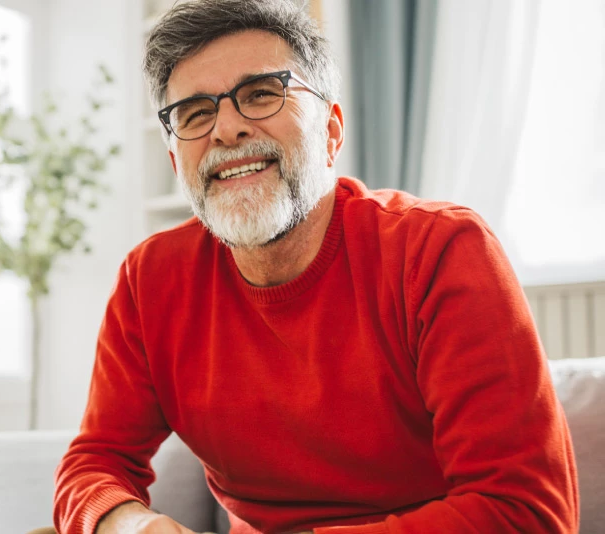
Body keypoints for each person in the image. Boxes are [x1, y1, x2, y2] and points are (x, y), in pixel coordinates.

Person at [53, 1, 579, 533]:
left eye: (261, 94)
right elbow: (94, 463)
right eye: (195, 113)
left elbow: (527, 513)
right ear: (176, 163)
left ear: (331, 131)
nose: (226, 129)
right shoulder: (149, 281)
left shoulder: (442, 251)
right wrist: (135, 527)